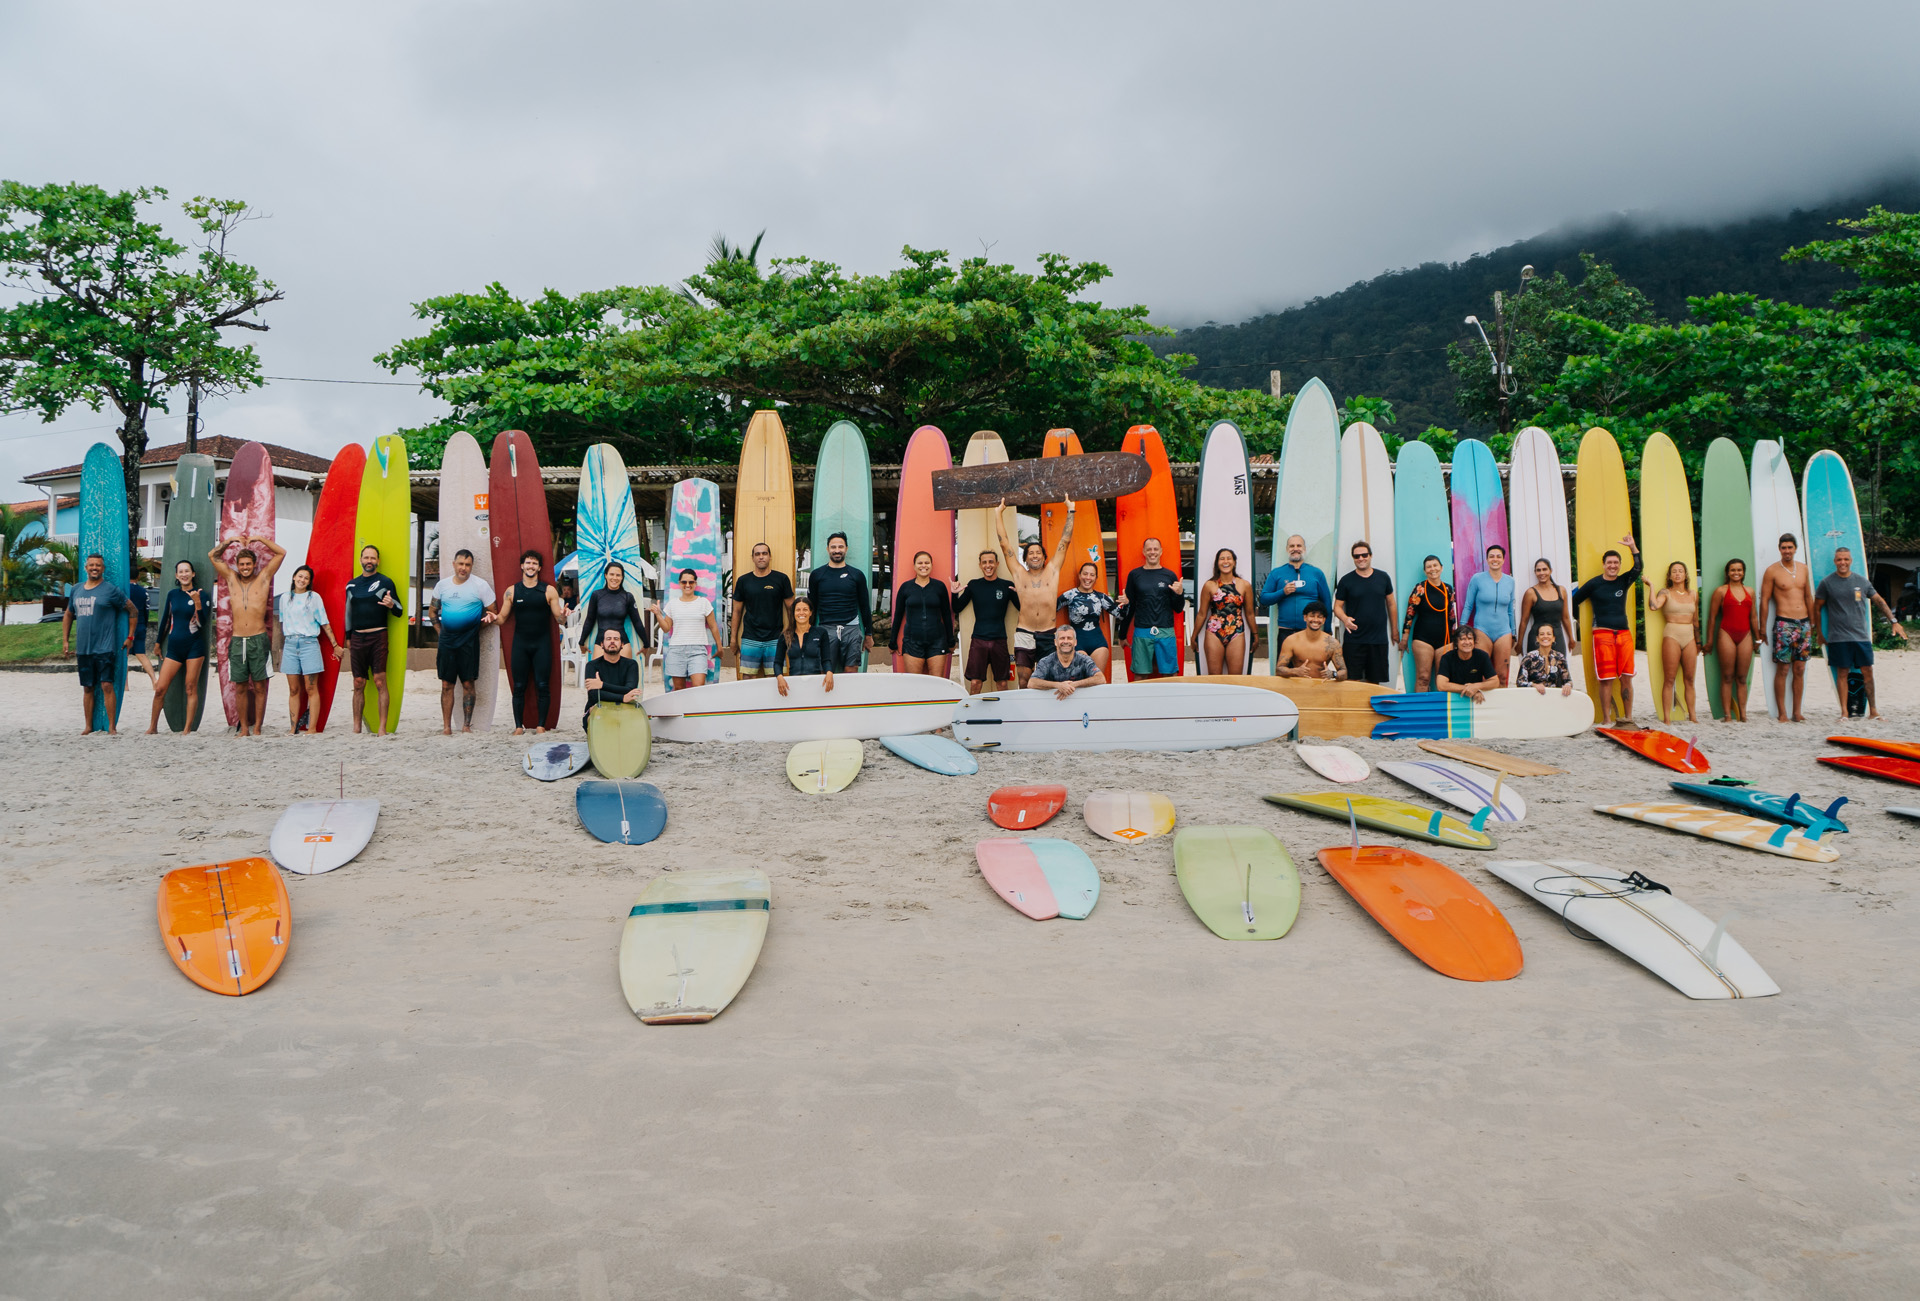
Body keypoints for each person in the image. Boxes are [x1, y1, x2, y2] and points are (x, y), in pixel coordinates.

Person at [993, 500, 1078, 686]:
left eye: (1038, 552)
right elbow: (1004, 544)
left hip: (1048, 633)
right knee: (1024, 680)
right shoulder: (1019, 573)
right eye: (1030, 553)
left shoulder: (1053, 570)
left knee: (1049, 679)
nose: (1034, 555)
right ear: (1025, 558)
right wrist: (998, 513)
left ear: (1044, 557)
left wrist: (1071, 510)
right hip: (1025, 632)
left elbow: (1065, 541)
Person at [208, 534, 286, 737]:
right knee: (240, 686)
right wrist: (229, 541)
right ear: (237, 565)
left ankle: (258, 727)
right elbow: (213, 556)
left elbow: (281, 553)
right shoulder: (231, 579)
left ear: (254, 564)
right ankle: (244, 728)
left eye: (248, 564)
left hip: (258, 639)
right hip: (237, 640)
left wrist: (260, 539)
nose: (244, 567)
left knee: (260, 685)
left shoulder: (264, 578)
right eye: (241, 564)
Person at [1814, 545, 1904, 719]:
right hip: (1838, 638)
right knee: (1842, 673)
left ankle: (1874, 711)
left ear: (1851, 560)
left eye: (1846, 559)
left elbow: (1879, 601)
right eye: (1839, 559)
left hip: (1860, 637)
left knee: (1867, 671)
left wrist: (1894, 621)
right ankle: (1844, 713)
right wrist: (1819, 632)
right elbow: (1817, 608)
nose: (1842, 562)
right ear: (1835, 561)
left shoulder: (1862, 581)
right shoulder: (1827, 583)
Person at [1572, 534, 1641, 725]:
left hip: (1624, 634)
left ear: (1619, 565)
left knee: (1627, 677)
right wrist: (1577, 622)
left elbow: (1638, 568)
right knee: (1606, 679)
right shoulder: (1594, 584)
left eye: (1616, 563)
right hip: (1602, 634)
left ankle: (1628, 717)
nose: (1613, 566)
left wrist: (1633, 548)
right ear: (1604, 564)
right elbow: (1573, 601)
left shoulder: (1623, 581)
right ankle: (1606, 719)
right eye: (1609, 562)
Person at [61, 551, 131, 735]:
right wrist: (66, 640)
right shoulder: (76, 589)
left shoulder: (110, 590)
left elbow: (133, 610)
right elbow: (68, 614)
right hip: (84, 649)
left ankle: (112, 727)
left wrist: (130, 636)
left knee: (107, 685)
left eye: (98, 565)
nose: (94, 568)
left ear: (103, 569)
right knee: (87, 687)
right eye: (91, 565)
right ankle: (88, 726)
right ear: (86, 568)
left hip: (105, 647)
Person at [430, 548, 497, 735]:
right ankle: (446, 727)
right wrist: (440, 633)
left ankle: (466, 726)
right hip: (447, 642)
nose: (463, 568)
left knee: (468, 684)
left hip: (469, 642)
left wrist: (476, 627)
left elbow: (492, 612)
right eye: (460, 564)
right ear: (454, 564)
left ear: (471, 566)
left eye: (467, 565)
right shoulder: (442, 586)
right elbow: (432, 611)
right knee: (446, 685)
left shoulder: (480, 586)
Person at [339, 544, 402, 736]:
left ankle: (382, 728)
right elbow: (348, 614)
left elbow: (399, 611)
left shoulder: (386, 582)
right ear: (360, 560)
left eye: (373, 558)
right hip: (357, 637)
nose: (369, 561)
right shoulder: (351, 585)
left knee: (380, 681)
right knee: (358, 682)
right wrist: (348, 637)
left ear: (378, 561)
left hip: (378, 635)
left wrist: (392, 605)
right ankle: (356, 727)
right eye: (366, 557)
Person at [146, 559, 209, 734]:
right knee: (160, 689)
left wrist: (197, 602)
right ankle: (152, 727)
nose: (184, 574)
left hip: (194, 648)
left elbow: (203, 624)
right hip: (174, 648)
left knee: (190, 687)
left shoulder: (201, 595)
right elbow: (166, 620)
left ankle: (187, 729)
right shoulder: (173, 595)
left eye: (187, 571)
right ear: (176, 575)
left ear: (193, 574)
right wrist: (158, 643)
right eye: (180, 571)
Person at [1758, 532, 1814, 722]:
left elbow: (1808, 597)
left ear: (1795, 548)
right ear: (1779, 549)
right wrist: (1762, 627)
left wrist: (1812, 624)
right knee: (1783, 669)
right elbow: (1764, 601)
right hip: (1784, 624)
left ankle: (1797, 712)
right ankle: (1782, 713)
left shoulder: (1804, 569)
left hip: (1804, 623)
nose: (1787, 551)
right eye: (1784, 548)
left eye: (1790, 547)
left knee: (1800, 669)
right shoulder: (1772, 571)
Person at [277, 564, 339, 734]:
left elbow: (324, 622)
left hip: (309, 644)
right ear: (293, 577)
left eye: (306, 578)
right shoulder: (284, 598)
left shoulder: (314, 598)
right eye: (300, 576)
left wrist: (335, 644)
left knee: (311, 688)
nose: (302, 580)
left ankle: (312, 728)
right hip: (290, 645)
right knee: (293, 689)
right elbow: (283, 621)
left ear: (309, 582)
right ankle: (292, 727)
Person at [1115, 536, 1182, 681]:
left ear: (1161, 551)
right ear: (1144, 552)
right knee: (1140, 674)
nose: (1152, 552)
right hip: (1142, 630)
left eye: (1155, 549)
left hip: (1165, 630)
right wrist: (1122, 634)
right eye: (1149, 549)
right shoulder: (1135, 575)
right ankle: (1139, 704)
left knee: (1170, 674)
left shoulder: (1170, 575)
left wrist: (1179, 594)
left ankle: (1171, 703)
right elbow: (1130, 606)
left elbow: (1178, 608)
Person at [806, 530, 873, 672]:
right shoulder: (817, 575)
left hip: (852, 629)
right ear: (828, 549)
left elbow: (865, 606)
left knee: (851, 670)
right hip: (826, 629)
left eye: (840, 547)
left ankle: (852, 695)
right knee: (826, 671)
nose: (837, 550)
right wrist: (808, 632)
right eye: (833, 547)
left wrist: (869, 634)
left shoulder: (856, 575)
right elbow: (811, 607)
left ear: (846, 549)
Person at [954, 549, 1019, 693]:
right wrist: (954, 594)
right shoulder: (974, 585)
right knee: (975, 682)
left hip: (1000, 640)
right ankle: (972, 714)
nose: (988, 565)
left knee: (1002, 683)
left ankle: (1003, 714)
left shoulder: (1007, 586)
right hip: (979, 640)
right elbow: (957, 607)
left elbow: (1022, 608)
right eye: (984, 562)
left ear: (997, 564)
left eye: (991, 562)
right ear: (980, 565)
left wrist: (1021, 593)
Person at [1333, 541, 1397, 684]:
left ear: (1370, 556)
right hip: (1354, 640)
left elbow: (1391, 604)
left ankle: (1370, 707)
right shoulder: (1346, 580)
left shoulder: (1383, 577)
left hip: (1378, 639)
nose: (1361, 558)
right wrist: (1345, 619)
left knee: (1374, 681)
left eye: (1364, 555)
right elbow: (1337, 606)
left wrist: (1394, 630)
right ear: (1353, 558)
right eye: (1356, 556)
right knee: (1352, 680)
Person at [1648, 559, 1701, 724]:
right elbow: (1654, 606)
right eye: (1674, 571)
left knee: (1690, 679)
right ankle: (1667, 718)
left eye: (1680, 571)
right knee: (1669, 678)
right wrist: (1651, 586)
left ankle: (1692, 716)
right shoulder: (1665, 592)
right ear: (1670, 576)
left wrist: (1699, 641)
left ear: (1685, 575)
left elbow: (1696, 619)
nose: (1677, 574)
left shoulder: (1693, 594)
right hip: (1672, 634)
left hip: (1690, 635)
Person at [730, 542, 793, 679]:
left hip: (775, 638)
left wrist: (791, 632)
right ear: (752, 558)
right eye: (757, 554)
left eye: (764, 553)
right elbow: (736, 611)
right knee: (748, 679)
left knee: (775, 678)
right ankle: (749, 702)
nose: (761, 557)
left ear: (770, 557)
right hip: (750, 637)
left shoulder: (781, 579)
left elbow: (791, 608)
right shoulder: (743, 581)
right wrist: (733, 639)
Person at [1259, 533, 1332, 650]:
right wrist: (1283, 592)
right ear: (1287, 549)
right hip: (1286, 632)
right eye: (1292, 546)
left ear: (1304, 549)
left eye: (1299, 545)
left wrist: (1327, 628)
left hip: (1310, 631)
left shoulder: (1316, 573)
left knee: (1310, 667)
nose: (1295, 549)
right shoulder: (1277, 573)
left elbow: (1327, 601)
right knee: (1285, 667)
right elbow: (1264, 599)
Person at [891, 550, 956, 679]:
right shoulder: (906, 587)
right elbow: (898, 615)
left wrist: (951, 640)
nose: (923, 565)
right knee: (915, 684)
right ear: (914, 566)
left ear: (931, 565)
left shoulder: (939, 586)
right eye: (920, 563)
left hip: (937, 641)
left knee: (937, 683)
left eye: (927, 562)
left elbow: (946, 614)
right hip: (912, 642)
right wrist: (892, 641)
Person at [1705, 558, 1756, 722]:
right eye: (1733, 570)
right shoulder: (1720, 591)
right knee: (1727, 676)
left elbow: (1753, 617)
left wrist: (1759, 638)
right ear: (1727, 572)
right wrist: (1709, 641)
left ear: (1743, 572)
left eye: (1739, 570)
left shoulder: (1750, 591)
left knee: (1742, 677)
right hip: (1726, 634)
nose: (1736, 573)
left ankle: (1743, 714)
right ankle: (1727, 715)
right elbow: (1712, 618)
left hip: (1746, 635)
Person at [1461, 544, 1518, 685]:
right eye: (1491, 556)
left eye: (1499, 556)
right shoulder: (1477, 579)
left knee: (1502, 676)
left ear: (1504, 560)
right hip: (1482, 630)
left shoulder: (1510, 581)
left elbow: (1511, 609)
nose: (1495, 559)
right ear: (1486, 559)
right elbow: (1468, 605)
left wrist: (1514, 633)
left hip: (1504, 632)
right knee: (1482, 675)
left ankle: (1501, 706)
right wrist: (1462, 628)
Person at [657, 567, 721, 689]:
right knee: (679, 690)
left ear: (695, 583)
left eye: (691, 582)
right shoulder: (672, 604)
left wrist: (719, 646)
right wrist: (658, 615)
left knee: (698, 687)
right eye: (684, 582)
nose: (687, 585)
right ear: (679, 583)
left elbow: (713, 626)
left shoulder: (704, 603)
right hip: (676, 650)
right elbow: (666, 628)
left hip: (697, 651)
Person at [1196, 547, 1256, 675]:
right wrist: (1194, 636)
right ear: (1217, 563)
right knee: (1214, 678)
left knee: (1235, 679)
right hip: (1214, 632)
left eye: (1229, 558)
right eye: (1222, 558)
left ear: (1234, 562)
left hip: (1236, 632)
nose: (1225, 561)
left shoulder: (1244, 585)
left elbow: (1250, 613)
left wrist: (1256, 635)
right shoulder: (1209, 585)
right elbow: (1202, 613)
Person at [1401, 555, 1456, 692]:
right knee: (1423, 677)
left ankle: (1441, 712)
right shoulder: (1420, 588)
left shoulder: (1449, 589)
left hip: (1445, 640)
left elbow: (1452, 616)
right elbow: (1410, 613)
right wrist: (1404, 637)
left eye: (1435, 565)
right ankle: (1419, 711)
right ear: (1425, 571)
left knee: (1442, 680)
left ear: (1441, 568)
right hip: (1423, 639)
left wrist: (1456, 639)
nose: (1433, 569)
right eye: (1429, 567)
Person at [1057, 561, 1118, 678]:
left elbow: (1120, 615)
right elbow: (1050, 610)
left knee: (1097, 681)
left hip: (1098, 644)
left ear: (1096, 578)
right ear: (1079, 576)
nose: (1088, 578)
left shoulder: (1101, 597)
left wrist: (1128, 602)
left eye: (1092, 575)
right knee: (1079, 681)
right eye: (1085, 574)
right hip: (1077, 644)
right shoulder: (1070, 595)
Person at [578, 561, 647, 660]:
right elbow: (590, 620)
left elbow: (637, 622)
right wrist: (581, 641)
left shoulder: (627, 597)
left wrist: (646, 644)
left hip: (622, 643)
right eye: (611, 574)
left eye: (618, 575)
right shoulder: (596, 595)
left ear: (622, 577)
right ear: (605, 575)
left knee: (622, 675)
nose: (614, 578)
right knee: (597, 675)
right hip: (601, 642)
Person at [775, 594, 838, 695]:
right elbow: (777, 663)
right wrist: (780, 677)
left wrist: (829, 673)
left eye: (805, 609)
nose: (801, 613)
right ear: (793, 613)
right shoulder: (785, 635)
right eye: (798, 610)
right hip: (793, 686)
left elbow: (826, 660)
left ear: (810, 613)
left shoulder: (821, 633)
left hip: (815, 684)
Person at [581, 625, 640, 728]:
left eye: (616, 639)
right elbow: (594, 695)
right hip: (598, 708)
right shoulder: (592, 666)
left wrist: (602, 685)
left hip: (624, 708)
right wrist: (622, 697)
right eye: (608, 639)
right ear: (602, 644)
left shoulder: (631, 664)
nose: (612, 641)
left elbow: (630, 689)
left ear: (622, 645)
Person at [1519, 557, 1575, 664]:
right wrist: (1520, 643)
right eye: (1538, 570)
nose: (1541, 573)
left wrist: (1571, 638)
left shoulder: (1561, 591)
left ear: (1550, 570)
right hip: (1537, 637)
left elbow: (1566, 617)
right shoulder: (1531, 593)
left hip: (1557, 635)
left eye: (1544, 569)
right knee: (1536, 672)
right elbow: (1524, 620)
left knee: (1558, 670)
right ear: (1535, 572)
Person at [1029, 623, 1106, 699]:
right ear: (1055, 642)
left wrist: (1074, 685)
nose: (1066, 641)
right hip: (1054, 704)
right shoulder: (1046, 661)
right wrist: (1058, 685)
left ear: (1075, 642)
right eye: (1062, 638)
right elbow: (1032, 683)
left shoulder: (1085, 660)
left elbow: (1101, 679)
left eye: (1069, 638)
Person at [1274, 603, 1346, 680]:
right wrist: (1295, 671)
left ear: (1324, 620)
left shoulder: (1332, 643)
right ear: (1305, 617)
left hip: (1321, 685)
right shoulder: (1291, 640)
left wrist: (1333, 674)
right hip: (1299, 685)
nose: (1315, 620)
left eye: (1320, 617)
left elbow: (1344, 673)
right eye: (1312, 616)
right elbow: (1279, 670)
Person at [1434, 625, 1499, 702]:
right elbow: (1441, 685)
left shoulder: (1482, 656)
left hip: (1475, 701)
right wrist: (1469, 689)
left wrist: (1476, 686)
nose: (1467, 642)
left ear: (1474, 642)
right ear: (1456, 643)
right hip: (1453, 700)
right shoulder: (1447, 657)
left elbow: (1495, 682)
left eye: (1470, 639)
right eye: (1463, 639)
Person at [1515, 623, 1575, 697]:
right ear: (1537, 638)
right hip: (1533, 696)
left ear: (1553, 638)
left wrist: (1567, 686)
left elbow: (1568, 680)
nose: (1545, 636)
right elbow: (1520, 682)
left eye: (1549, 634)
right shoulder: (1529, 657)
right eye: (1542, 634)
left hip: (1552, 697)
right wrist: (1534, 685)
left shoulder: (1559, 657)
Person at [125, 571, 155, 688]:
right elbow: (146, 609)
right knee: (141, 654)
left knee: (124, 655)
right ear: (138, 576)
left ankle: (126, 685)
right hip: (140, 623)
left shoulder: (123, 590)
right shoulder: (143, 591)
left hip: (126, 625)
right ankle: (153, 680)